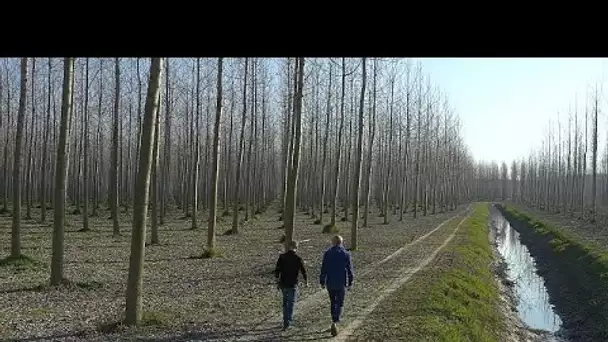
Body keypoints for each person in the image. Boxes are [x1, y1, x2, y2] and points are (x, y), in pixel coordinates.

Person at [319, 235, 354, 337]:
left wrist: (322, 281)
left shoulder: (327, 253)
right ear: (341, 242)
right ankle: (336, 320)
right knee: (340, 302)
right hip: (341, 282)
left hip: (330, 282)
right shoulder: (345, 254)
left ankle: (333, 320)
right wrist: (351, 281)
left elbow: (323, 268)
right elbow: (349, 269)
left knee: (333, 302)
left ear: (333, 242)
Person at [274, 240, 308, 331]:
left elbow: (277, 270)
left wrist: (277, 280)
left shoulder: (282, 257)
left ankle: (285, 320)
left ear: (289, 247)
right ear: (296, 247)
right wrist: (306, 281)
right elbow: (303, 270)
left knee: (285, 302)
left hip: (283, 283)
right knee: (291, 302)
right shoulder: (298, 258)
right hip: (293, 283)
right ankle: (288, 321)